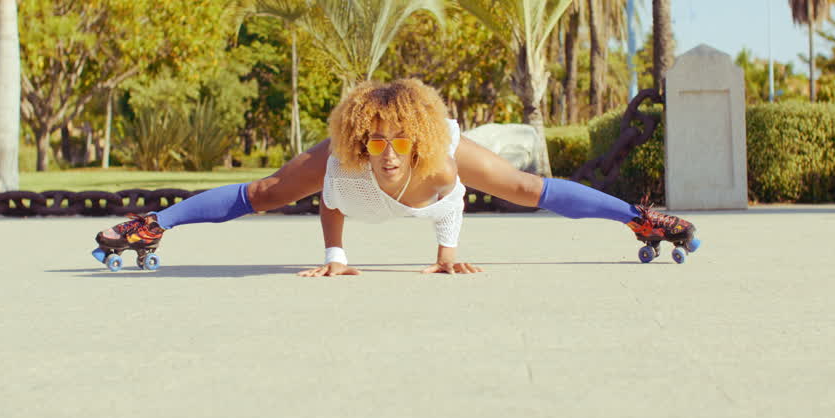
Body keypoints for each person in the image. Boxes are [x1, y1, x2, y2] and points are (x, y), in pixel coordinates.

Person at [94, 79, 697, 275]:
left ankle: (639, 220)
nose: (387, 153)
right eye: (376, 141)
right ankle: (154, 225)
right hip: (339, 173)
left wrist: (446, 254)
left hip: (442, 172)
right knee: (265, 193)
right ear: (361, 141)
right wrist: (335, 255)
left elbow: (452, 202)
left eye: (400, 142)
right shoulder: (346, 160)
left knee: (525, 188)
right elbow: (332, 201)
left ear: (420, 143)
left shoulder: (440, 162)